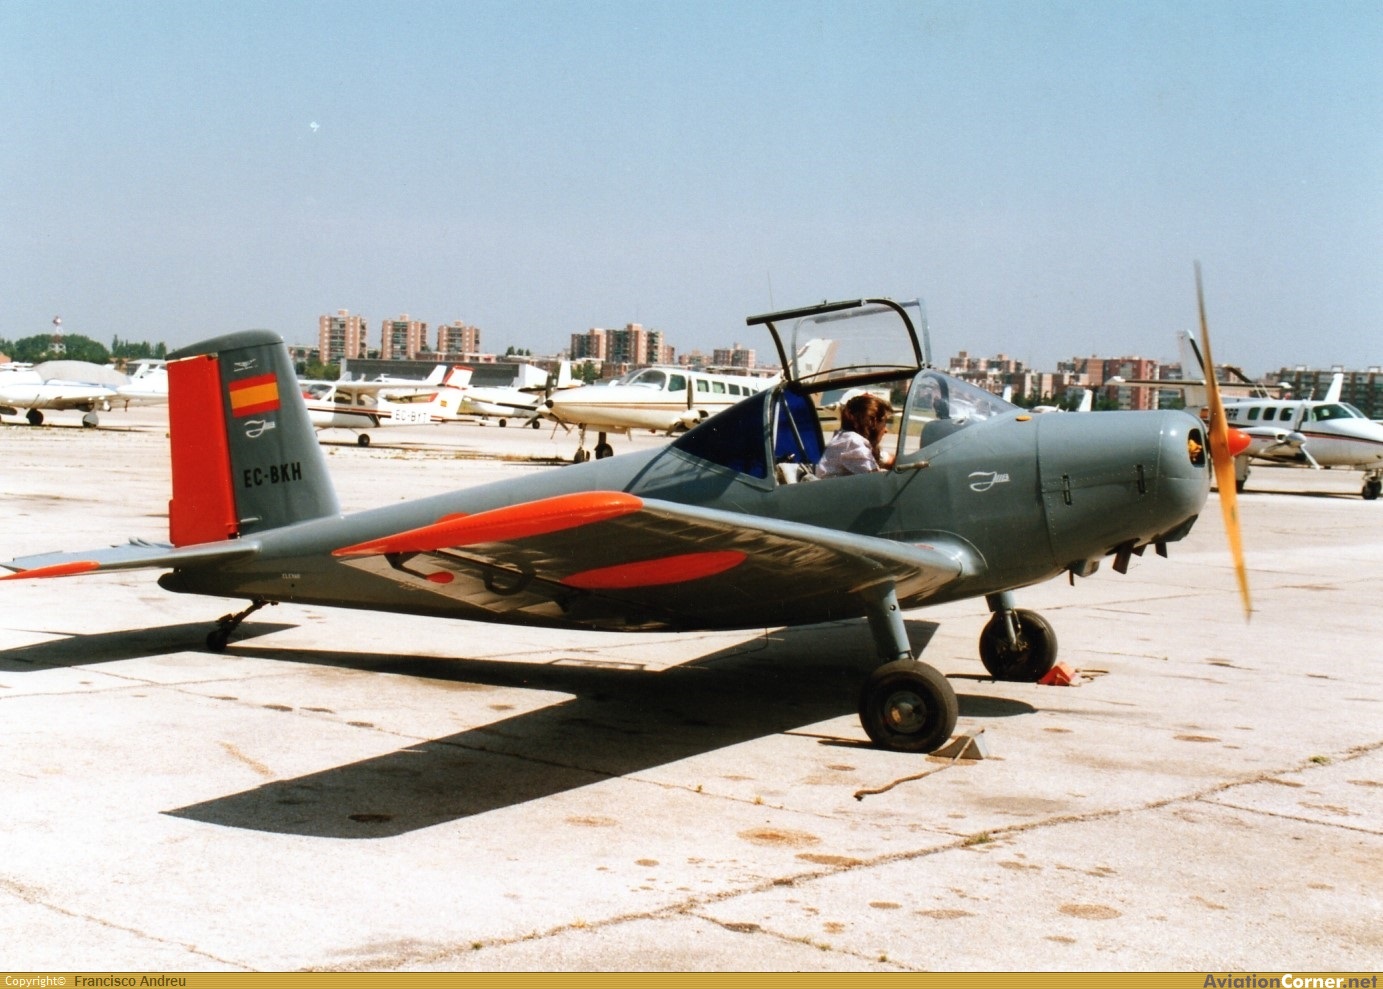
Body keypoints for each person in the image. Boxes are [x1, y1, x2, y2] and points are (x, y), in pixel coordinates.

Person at [815, 393, 895, 477]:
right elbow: (875, 479)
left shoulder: (847, 439)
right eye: (884, 422)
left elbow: (889, 460)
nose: (886, 430)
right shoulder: (852, 442)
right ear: (872, 423)